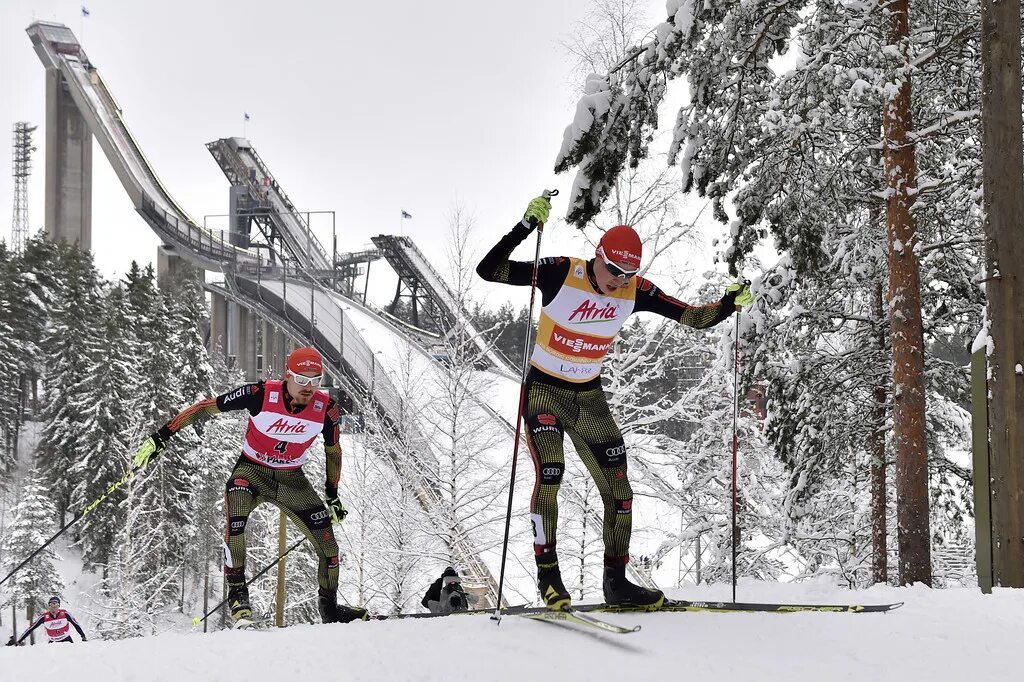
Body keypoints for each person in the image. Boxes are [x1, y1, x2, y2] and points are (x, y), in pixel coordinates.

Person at [476, 196, 752, 611]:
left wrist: (728, 304)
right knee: (551, 473)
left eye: (628, 274)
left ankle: (616, 583)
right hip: (544, 392)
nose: (617, 281)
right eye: (613, 270)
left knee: (621, 493)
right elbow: (489, 271)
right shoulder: (561, 272)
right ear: (597, 257)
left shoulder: (634, 290)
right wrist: (525, 226)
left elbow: (692, 317)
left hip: (589, 398)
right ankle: (549, 578)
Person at [133, 347, 367, 625]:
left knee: (329, 548)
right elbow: (206, 407)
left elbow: (334, 451)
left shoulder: (326, 410)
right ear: (287, 375)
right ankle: (238, 595)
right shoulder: (259, 394)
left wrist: (332, 496)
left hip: (292, 479)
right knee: (237, 516)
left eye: (315, 381)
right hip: (252, 471)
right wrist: (162, 436)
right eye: (301, 380)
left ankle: (329, 609)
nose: (308, 388)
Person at [8, 596, 87, 644]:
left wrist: (83, 636)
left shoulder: (65, 614)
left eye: (55, 604)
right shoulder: (44, 617)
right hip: (53, 642)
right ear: (49, 606)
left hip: (67, 640)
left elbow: (76, 624)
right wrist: (20, 640)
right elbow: (30, 628)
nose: (53, 606)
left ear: (58, 605)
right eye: (51, 604)